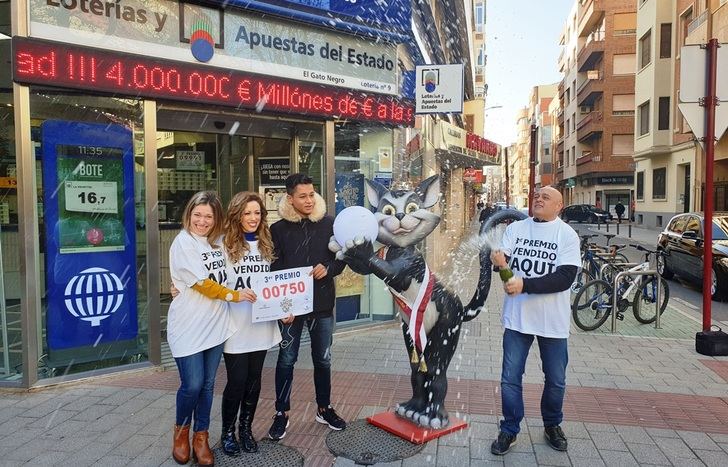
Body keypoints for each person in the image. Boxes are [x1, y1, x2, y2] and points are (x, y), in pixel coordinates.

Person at [489, 186, 581, 455]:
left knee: (555, 379)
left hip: (553, 322)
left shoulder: (567, 235)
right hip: (517, 320)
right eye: (536, 196)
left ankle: (552, 425)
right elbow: (507, 277)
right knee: (510, 378)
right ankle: (509, 430)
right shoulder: (516, 229)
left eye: (546, 197)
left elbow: (564, 278)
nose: (538, 199)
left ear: (559, 205)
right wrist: (502, 263)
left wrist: (524, 284)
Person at [267, 173, 346, 441]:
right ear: (290, 198)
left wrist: (330, 268)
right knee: (286, 359)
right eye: (303, 196)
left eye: (312, 194)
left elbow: (341, 259)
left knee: (323, 359)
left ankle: (324, 408)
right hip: (290, 309)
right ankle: (281, 413)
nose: (309, 200)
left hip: (322, 306)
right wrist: (280, 307)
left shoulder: (330, 224)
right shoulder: (277, 230)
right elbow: (273, 271)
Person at [168, 191, 244, 467]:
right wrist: (233, 296)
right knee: (193, 384)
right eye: (197, 215)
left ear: (216, 220)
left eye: (208, 217)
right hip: (188, 325)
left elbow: (232, 274)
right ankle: (181, 431)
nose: (201, 221)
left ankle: (201, 436)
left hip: (215, 324)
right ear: (189, 214)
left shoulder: (219, 243)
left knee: (209, 385)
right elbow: (203, 283)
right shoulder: (183, 242)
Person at [219, 192, 294, 455]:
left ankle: (246, 430)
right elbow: (210, 281)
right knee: (236, 381)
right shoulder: (223, 245)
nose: (252, 218)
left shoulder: (266, 244)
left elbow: (277, 284)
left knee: (254, 381)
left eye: (257, 213)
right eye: (247, 213)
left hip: (261, 323)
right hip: (235, 324)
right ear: (236, 215)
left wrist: (285, 309)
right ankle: (227, 432)